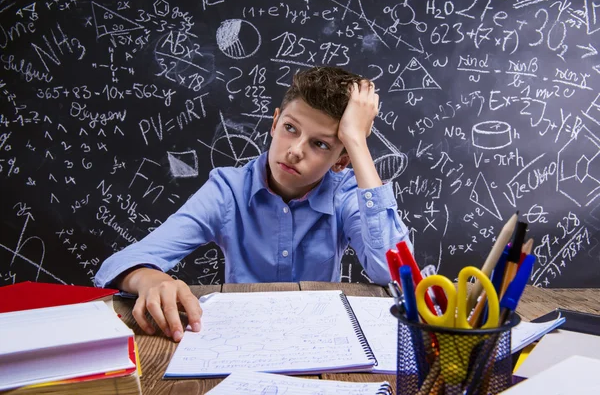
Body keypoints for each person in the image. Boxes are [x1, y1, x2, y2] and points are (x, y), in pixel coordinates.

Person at [95, 66, 412, 342]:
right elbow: (116, 266)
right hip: (235, 339)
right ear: (274, 123)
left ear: (341, 160)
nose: (295, 151)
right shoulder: (227, 190)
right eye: (290, 128)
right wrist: (152, 278)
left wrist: (356, 140)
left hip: (318, 338)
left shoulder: (344, 193)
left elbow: (394, 273)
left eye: (319, 144)